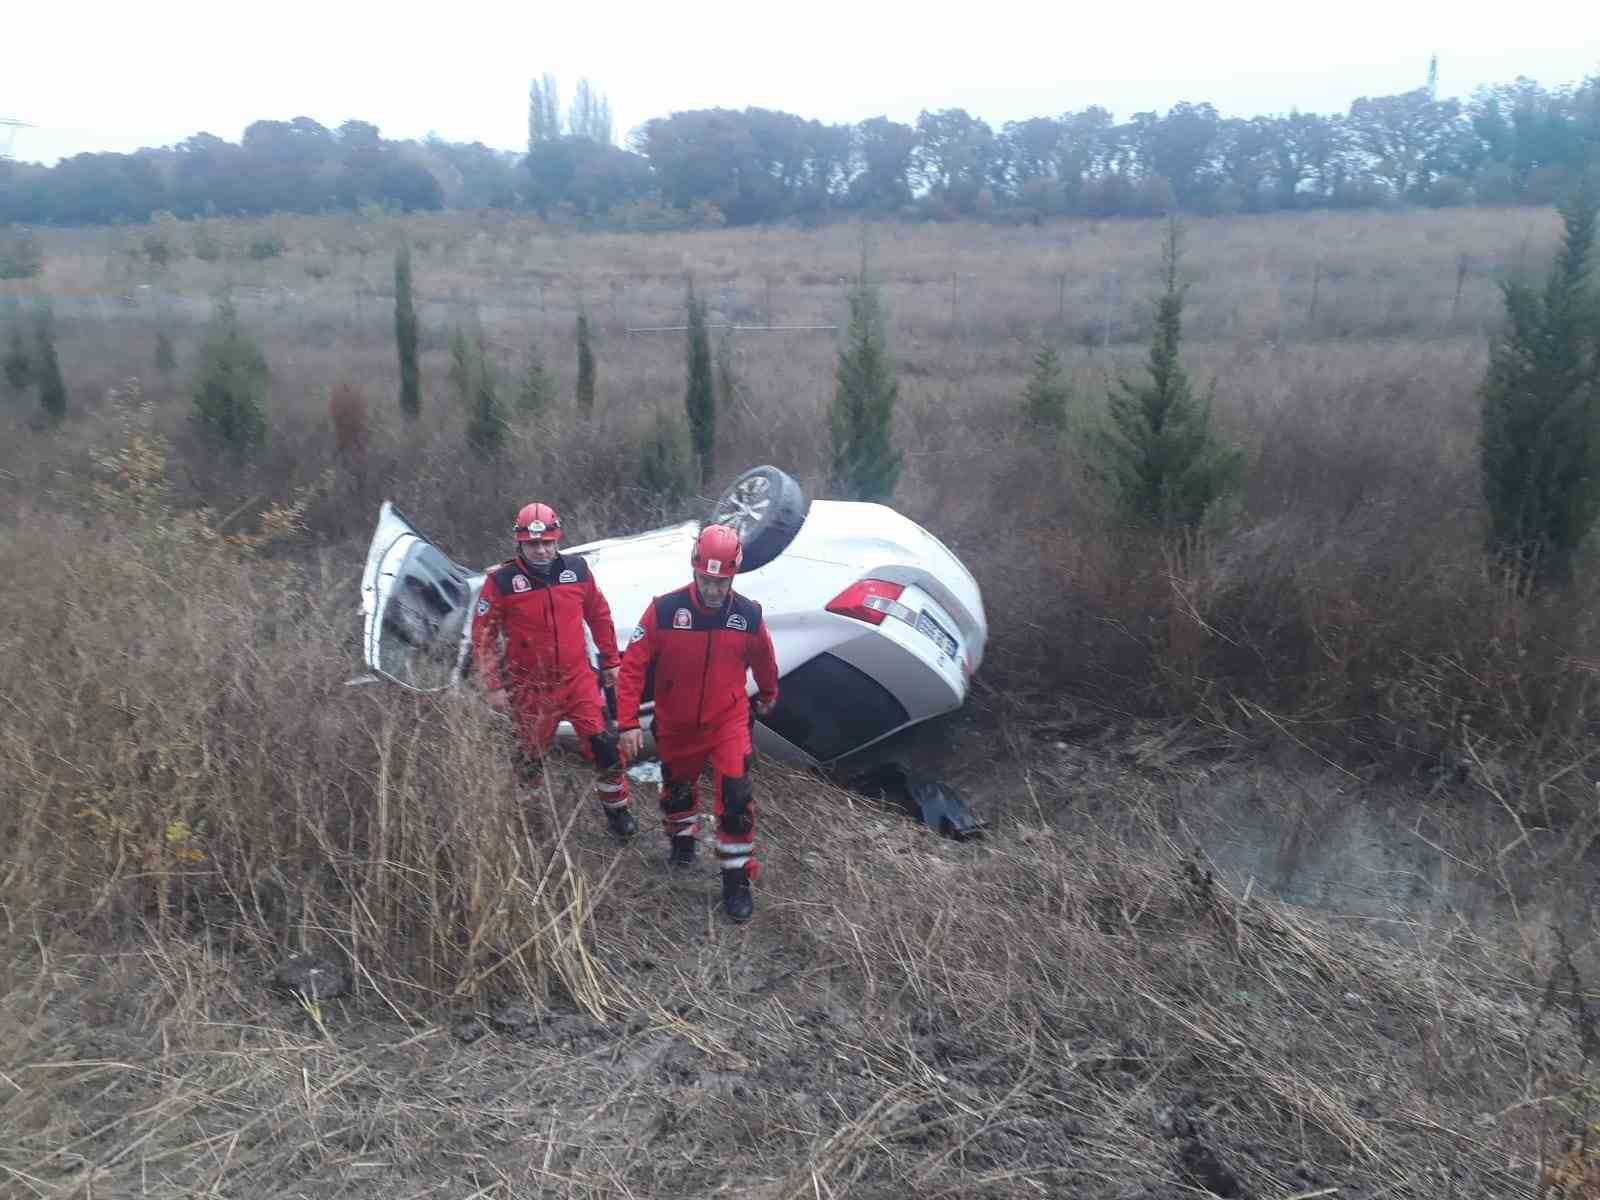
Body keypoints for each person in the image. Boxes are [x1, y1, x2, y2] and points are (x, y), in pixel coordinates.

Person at [616, 524, 779, 923]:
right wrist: (627, 722)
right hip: (676, 721)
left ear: (733, 576)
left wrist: (770, 694)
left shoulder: (748, 615)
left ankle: (736, 879)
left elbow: (764, 661)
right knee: (677, 789)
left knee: (737, 797)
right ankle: (681, 840)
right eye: (706, 579)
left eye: (721, 582)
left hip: (728, 720)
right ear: (694, 570)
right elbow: (633, 667)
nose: (712, 589)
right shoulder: (665, 611)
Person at [470, 501, 636, 838]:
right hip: (530, 687)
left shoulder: (576, 570)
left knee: (605, 748)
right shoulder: (502, 581)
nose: (542, 550)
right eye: (533, 544)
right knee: (529, 758)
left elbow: (600, 615)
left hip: (578, 680)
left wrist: (611, 661)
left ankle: (618, 815)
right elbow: (482, 634)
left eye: (547, 542)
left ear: (557, 540)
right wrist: (493, 685)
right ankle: (531, 823)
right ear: (521, 544)